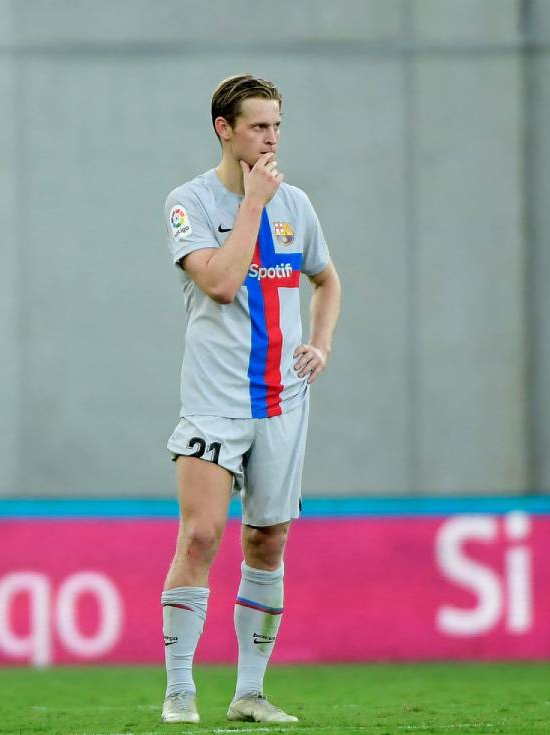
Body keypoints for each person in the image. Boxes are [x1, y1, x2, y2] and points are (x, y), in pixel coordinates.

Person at [159, 73, 342, 725]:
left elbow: (327, 279)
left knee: (266, 541)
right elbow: (220, 282)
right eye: (259, 126)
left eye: (277, 126)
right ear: (225, 130)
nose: (271, 138)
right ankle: (180, 689)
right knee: (203, 533)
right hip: (213, 399)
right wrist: (252, 206)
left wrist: (319, 343)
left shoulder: (298, 204)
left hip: (282, 400)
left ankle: (249, 692)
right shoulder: (189, 201)